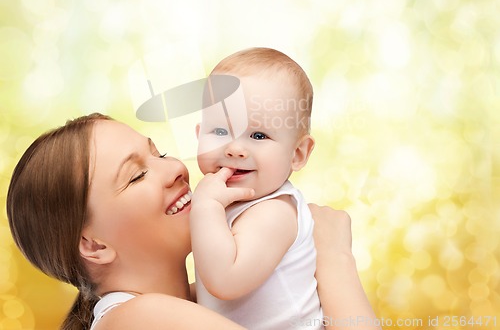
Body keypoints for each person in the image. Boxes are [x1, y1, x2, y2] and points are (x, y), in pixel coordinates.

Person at [7, 113, 380, 330]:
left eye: (160, 153)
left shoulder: (210, 301)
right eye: (136, 176)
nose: (173, 169)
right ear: (94, 245)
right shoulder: (138, 319)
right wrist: (333, 258)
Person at [191, 48, 322, 328]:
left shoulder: (275, 212)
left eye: (258, 135)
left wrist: (206, 207)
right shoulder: (228, 202)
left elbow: (225, 281)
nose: (236, 148)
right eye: (221, 131)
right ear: (199, 134)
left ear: (297, 153)